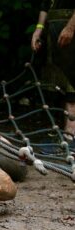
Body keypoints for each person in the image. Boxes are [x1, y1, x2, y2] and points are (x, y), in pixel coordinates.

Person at [31, 0, 75, 144]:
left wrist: (71, 26)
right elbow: (45, 4)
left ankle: (70, 134)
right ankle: (68, 135)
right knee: (61, 82)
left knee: (72, 85)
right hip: (57, 29)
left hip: (70, 26)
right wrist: (39, 29)